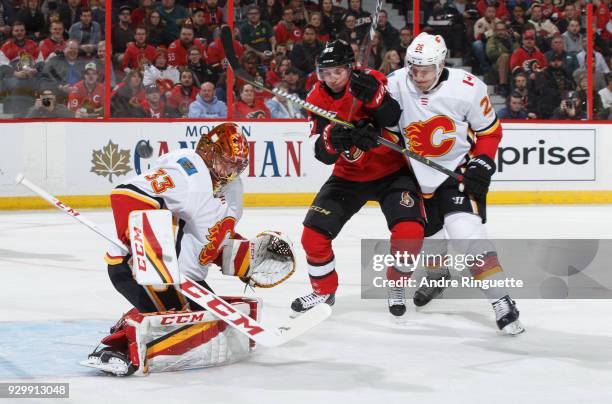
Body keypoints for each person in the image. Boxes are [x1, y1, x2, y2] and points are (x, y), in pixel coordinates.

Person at [84, 123, 295, 376]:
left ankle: (137, 318)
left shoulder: (232, 188)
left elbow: (213, 237)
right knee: (173, 323)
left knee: (210, 324)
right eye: (227, 162)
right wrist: (145, 243)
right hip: (139, 268)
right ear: (208, 152)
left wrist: (245, 259)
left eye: (238, 165)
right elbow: (127, 194)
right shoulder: (187, 172)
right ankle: (116, 348)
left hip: (184, 278)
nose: (231, 170)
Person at [386, 32, 524, 334]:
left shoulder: (468, 88)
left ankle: (501, 299)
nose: (417, 76)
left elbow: (489, 132)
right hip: (412, 175)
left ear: (441, 64)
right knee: (429, 237)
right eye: (413, 68)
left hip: (455, 173)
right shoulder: (395, 82)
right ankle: (437, 276)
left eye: (425, 70)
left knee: (467, 236)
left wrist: (484, 161)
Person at [290, 39, 425, 315]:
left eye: (337, 72)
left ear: (351, 68)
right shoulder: (316, 97)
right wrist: (332, 139)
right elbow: (322, 154)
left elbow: (393, 119)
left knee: (410, 234)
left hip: (391, 172)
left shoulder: (371, 79)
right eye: (325, 73)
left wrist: (376, 100)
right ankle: (323, 292)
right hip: (348, 175)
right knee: (312, 237)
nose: (332, 79)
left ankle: (397, 283)